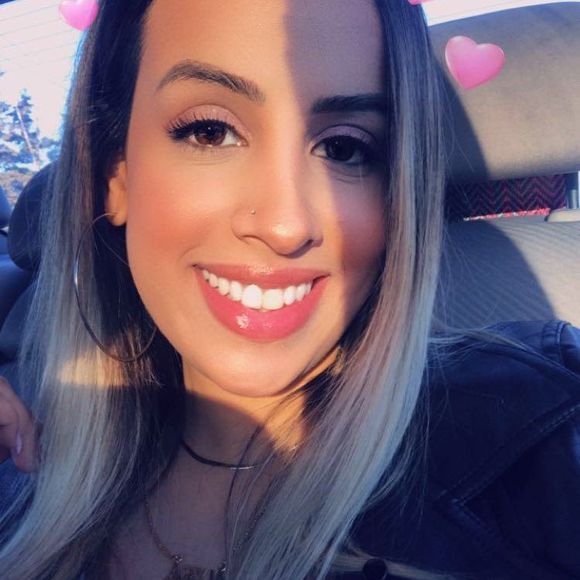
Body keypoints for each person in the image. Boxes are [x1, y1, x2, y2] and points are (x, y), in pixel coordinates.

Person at [0, 0, 579, 579]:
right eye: (210, 132)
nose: (285, 225)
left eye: (345, 148)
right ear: (115, 176)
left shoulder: (546, 428)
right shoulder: (21, 459)